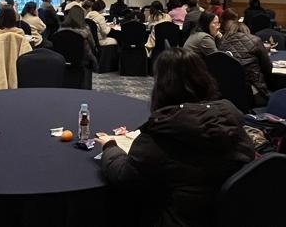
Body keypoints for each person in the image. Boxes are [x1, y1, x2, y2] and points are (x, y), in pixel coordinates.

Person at [94, 48, 254, 227]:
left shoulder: (162, 133)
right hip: (231, 216)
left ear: (160, 86)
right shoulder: (230, 117)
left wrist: (110, 147)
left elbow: (123, 176)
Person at [219, 21, 272, 107]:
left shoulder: (222, 42)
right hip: (253, 90)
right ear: (246, 30)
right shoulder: (255, 40)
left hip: (227, 92)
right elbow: (267, 68)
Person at [57, 5, 97, 70]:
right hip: (80, 60)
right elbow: (93, 44)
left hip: (62, 60)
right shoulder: (85, 29)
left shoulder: (60, 29)